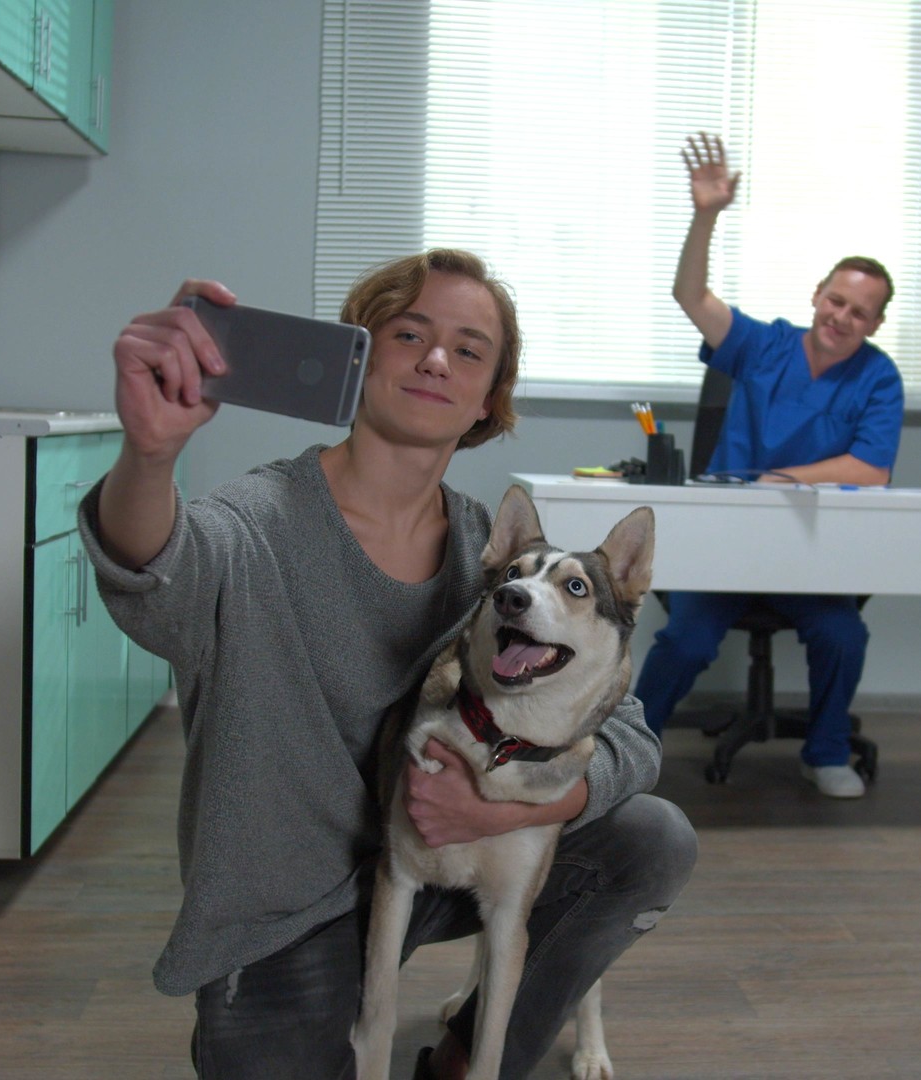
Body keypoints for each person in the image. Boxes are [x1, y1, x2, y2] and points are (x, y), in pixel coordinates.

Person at [80, 248, 697, 1080]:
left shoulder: (499, 558)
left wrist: (502, 816)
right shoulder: (259, 521)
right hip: (290, 912)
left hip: (445, 866)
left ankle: (468, 1057)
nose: (437, 358)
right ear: (355, 359)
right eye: (409, 333)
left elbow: (629, 735)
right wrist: (149, 456)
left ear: (488, 399)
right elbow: (159, 577)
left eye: (469, 350)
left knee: (651, 837)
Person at [632, 133, 905, 800]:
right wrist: (707, 215)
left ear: (874, 325)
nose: (842, 316)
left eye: (859, 312)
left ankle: (827, 749)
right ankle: (630, 751)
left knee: (843, 634)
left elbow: (872, 471)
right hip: (725, 546)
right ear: (818, 294)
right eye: (836, 300)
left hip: (809, 555)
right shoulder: (763, 345)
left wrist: (784, 480)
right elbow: (690, 295)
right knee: (686, 642)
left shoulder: (879, 378)